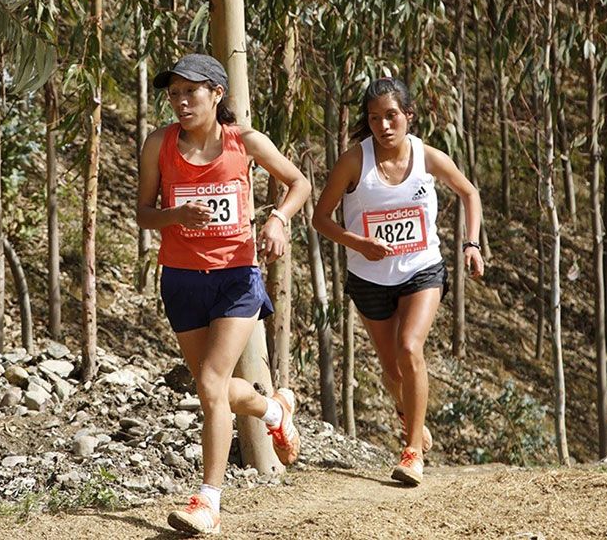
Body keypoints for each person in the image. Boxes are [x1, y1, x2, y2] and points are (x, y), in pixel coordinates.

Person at [137, 54, 311, 535]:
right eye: (173, 93)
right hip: (181, 278)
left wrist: (277, 219)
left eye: (190, 92)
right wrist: (176, 216)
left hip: (237, 277)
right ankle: (274, 409)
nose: (180, 101)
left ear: (216, 94)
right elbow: (143, 213)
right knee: (208, 386)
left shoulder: (245, 141)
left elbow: (299, 183)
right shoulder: (160, 144)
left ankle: (208, 502)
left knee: (212, 384)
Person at [312, 77, 484, 486]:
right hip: (368, 276)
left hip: (421, 268)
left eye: (392, 116)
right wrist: (357, 242)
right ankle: (409, 413)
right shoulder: (355, 161)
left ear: (408, 116)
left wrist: (472, 244)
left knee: (410, 348)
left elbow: (469, 193)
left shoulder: (427, 157)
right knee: (392, 372)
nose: (384, 126)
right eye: (375, 119)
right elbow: (320, 218)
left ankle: (411, 453)